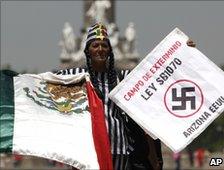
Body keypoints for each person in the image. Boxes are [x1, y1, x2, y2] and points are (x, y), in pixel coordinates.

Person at [56, 23, 195, 170]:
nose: (100, 49)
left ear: (110, 50)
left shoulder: (123, 78)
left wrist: (183, 53)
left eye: (104, 45)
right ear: (87, 50)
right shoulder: (76, 76)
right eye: (95, 45)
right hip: (87, 149)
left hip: (119, 149)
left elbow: (156, 77)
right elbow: (48, 82)